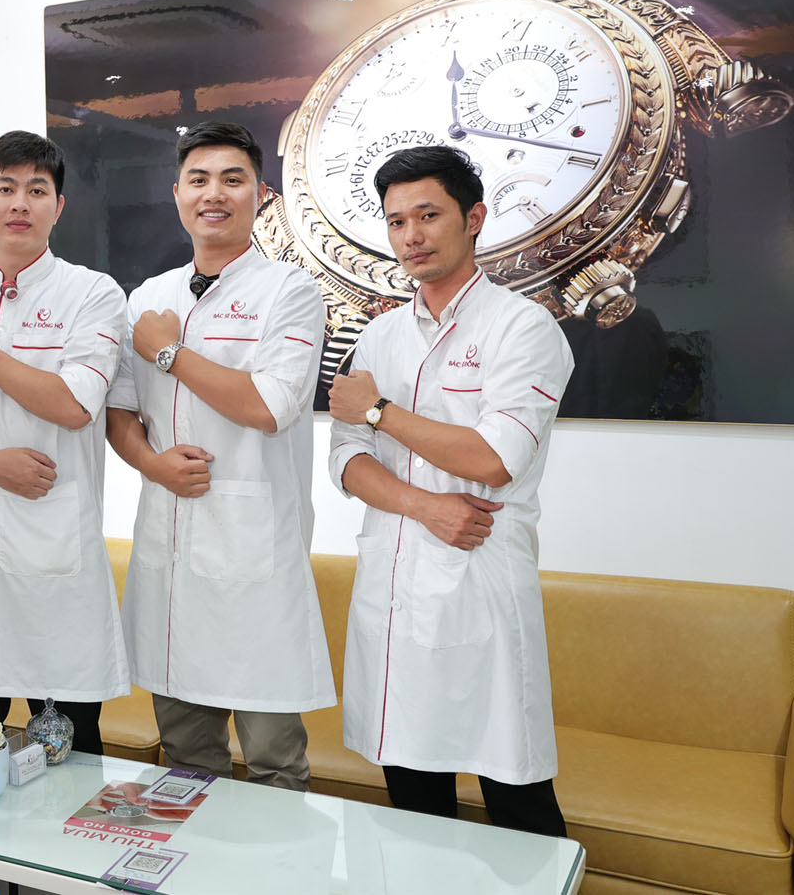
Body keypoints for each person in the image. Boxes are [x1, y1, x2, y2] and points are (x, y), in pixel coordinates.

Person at [327, 144, 574, 836]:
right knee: (412, 803)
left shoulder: (522, 327)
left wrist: (379, 411)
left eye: (429, 214)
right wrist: (425, 504)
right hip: (392, 591)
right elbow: (346, 459)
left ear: (475, 218)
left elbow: (495, 458)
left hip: (479, 587)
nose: (412, 234)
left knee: (516, 798)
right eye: (396, 220)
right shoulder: (379, 336)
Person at [105, 121, 334, 790]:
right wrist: (152, 464)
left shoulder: (290, 291)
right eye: (198, 180)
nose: (214, 194)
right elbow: (120, 414)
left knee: (273, 760)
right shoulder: (149, 298)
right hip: (172, 557)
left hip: (255, 559)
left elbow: (270, 405)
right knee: (186, 756)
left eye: (233, 180)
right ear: (176, 193)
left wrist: (170, 353)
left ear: (260, 195)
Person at [0, 130, 129, 750]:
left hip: (52, 563)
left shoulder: (93, 294)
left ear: (58, 207)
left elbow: (74, 405)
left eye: (36, 190)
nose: (19, 203)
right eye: (4, 188)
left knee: (69, 757)